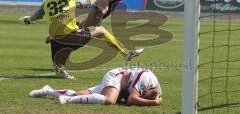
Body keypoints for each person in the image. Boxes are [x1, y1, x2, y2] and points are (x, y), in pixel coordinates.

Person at [19, 0, 143, 80]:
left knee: (59, 68)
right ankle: (127, 53)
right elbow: (86, 3)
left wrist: (27, 20)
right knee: (101, 30)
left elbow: (35, 16)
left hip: (56, 41)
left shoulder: (46, 3)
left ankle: (60, 68)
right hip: (70, 37)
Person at [29, 67, 162, 106]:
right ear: (148, 88)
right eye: (142, 93)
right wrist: (153, 103)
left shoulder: (155, 89)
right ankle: (67, 100)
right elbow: (131, 100)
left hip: (121, 84)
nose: (140, 94)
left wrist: (149, 100)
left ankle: (47, 90)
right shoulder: (145, 79)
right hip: (116, 76)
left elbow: (132, 96)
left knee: (78, 94)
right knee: (110, 100)